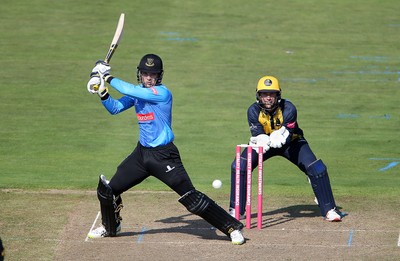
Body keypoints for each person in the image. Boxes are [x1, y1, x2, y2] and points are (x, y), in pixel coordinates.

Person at [85, 54, 245, 245]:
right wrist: (102, 92)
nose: (149, 77)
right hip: (141, 155)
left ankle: (232, 228)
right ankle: (110, 226)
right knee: (108, 191)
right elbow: (115, 108)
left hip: (164, 156)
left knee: (191, 198)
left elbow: (130, 89)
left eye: (153, 74)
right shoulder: (137, 94)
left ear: (159, 76)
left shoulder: (162, 93)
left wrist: (107, 76)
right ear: (140, 74)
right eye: (145, 73)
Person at [229, 75, 344, 222]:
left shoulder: (289, 108)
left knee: (317, 169)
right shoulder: (252, 110)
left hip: (292, 143)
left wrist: (280, 136)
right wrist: (262, 139)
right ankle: (236, 210)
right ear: (258, 95)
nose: (268, 98)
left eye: (272, 94)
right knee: (240, 164)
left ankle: (329, 209)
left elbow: (287, 135)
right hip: (265, 145)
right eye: (264, 94)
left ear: (278, 95)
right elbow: (257, 134)